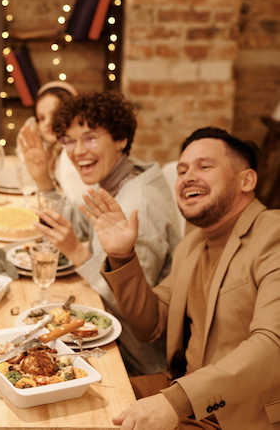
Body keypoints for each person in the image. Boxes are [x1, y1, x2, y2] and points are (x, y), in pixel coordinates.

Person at [87, 127, 280, 430]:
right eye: (182, 170)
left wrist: (176, 401)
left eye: (205, 166)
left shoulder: (274, 234)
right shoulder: (191, 245)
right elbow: (150, 324)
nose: (188, 176)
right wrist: (123, 256)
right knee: (80, 401)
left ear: (247, 180)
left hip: (240, 418)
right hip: (187, 400)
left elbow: (273, 345)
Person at [33, 90, 181, 376]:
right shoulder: (120, 176)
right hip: (112, 336)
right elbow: (80, 224)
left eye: (90, 138)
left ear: (120, 139)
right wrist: (42, 177)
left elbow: (132, 312)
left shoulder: (137, 204)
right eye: (70, 141)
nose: (76, 152)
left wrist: (77, 252)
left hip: (137, 361)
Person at [15, 80, 88, 203]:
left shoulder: (70, 156)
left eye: (55, 115)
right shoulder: (50, 151)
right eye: (41, 118)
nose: (48, 122)